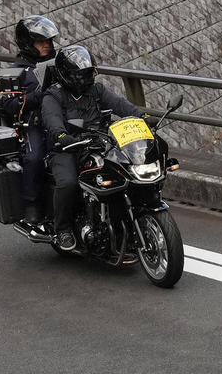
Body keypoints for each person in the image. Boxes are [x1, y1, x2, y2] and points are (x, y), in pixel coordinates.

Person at [41, 45, 146, 252]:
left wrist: (141, 116)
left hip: (98, 143)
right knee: (69, 183)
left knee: (125, 172)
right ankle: (63, 229)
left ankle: (126, 223)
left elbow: (119, 104)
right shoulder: (53, 95)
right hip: (66, 148)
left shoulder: (96, 90)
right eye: (80, 75)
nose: (85, 79)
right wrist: (62, 136)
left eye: (88, 73)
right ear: (66, 75)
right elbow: (52, 120)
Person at [6, 15, 60, 232]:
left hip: (60, 120)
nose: (46, 45)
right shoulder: (15, 70)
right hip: (33, 124)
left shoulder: (58, 63)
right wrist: (37, 96)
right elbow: (9, 103)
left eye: (48, 41)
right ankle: (32, 205)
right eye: (41, 42)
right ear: (28, 43)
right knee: (35, 156)